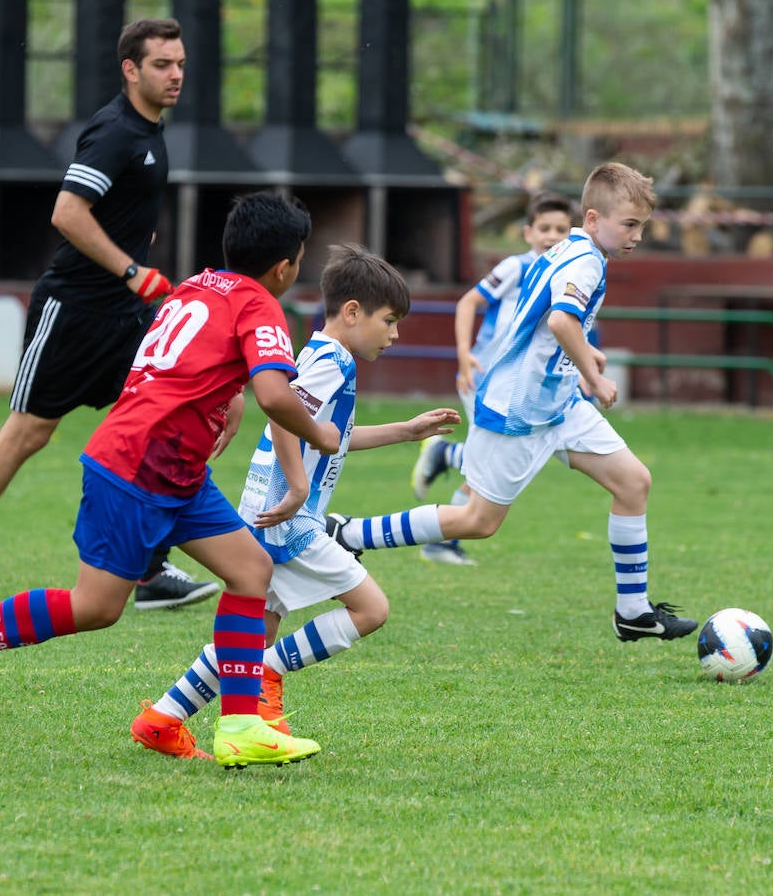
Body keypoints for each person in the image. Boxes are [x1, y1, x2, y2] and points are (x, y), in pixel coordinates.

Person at [0, 191, 339, 768]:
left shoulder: (201, 284)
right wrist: (321, 434)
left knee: (250, 570)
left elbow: (193, 363)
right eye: (299, 261)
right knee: (96, 607)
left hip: (176, 468)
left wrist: (226, 400)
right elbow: (275, 394)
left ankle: (240, 727)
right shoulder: (262, 305)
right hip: (136, 465)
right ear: (285, 266)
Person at [327, 163, 697, 643]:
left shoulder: (573, 249)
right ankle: (349, 534)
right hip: (519, 409)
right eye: (629, 224)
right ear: (592, 218)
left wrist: (585, 353)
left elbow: (552, 318)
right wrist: (593, 376)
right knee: (477, 521)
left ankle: (632, 612)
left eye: (642, 226)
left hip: (558, 404)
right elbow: (562, 322)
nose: (637, 236)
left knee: (633, 482)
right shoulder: (585, 260)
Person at [0, 18, 216, 612]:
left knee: (158, 422)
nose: (176, 74)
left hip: (123, 317)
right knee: (30, 432)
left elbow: (122, 211)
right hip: (73, 311)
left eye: (181, 63)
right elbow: (67, 213)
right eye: (163, 64)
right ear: (130, 69)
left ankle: (148, 570)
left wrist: (139, 249)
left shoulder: (152, 133)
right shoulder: (114, 130)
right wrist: (133, 270)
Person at [130, 244, 460, 757]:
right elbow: (281, 417)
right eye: (389, 321)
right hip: (288, 517)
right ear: (352, 312)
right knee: (371, 609)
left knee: (249, 635)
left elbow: (329, 435)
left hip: (265, 508)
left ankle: (162, 718)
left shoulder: (315, 353)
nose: (395, 335)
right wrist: (299, 488)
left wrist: (408, 430)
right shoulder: (333, 361)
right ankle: (269, 676)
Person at [411, 191, 573, 567]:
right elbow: (468, 302)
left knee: (500, 460)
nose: (552, 236)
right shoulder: (516, 267)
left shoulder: (568, 273)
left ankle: (446, 458)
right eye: (545, 228)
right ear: (527, 232)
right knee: (493, 464)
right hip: (487, 376)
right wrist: (465, 355)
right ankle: (440, 537)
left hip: (521, 385)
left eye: (561, 230)